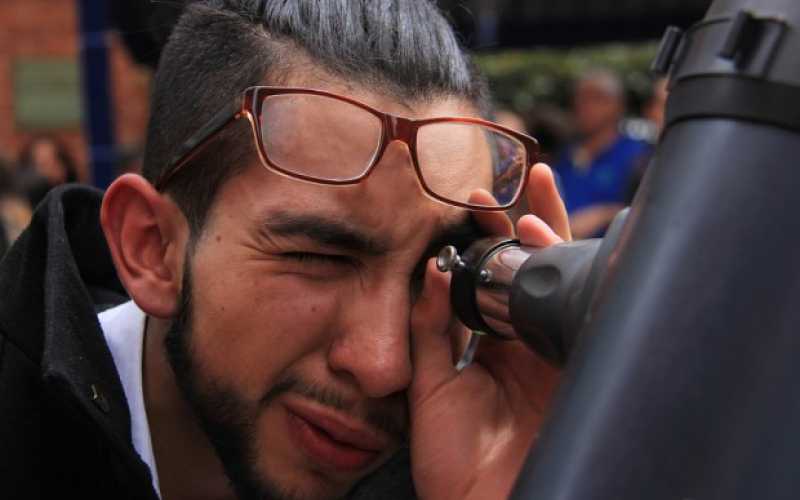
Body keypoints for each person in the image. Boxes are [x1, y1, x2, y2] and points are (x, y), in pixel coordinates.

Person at [0, 1, 571, 499]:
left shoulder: (453, 458)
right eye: (319, 259)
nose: (383, 366)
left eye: (439, 273)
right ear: (151, 247)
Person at [553, 68, 651, 238]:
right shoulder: (565, 155)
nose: (585, 106)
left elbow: (650, 211)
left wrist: (605, 214)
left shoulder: (639, 155)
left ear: (619, 105)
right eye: (580, 98)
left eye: (597, 98)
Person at [14, 134, 80, 208]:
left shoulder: (75, 199)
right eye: (41, 164)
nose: (47, 171)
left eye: (51, 163)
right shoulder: (20, 203)